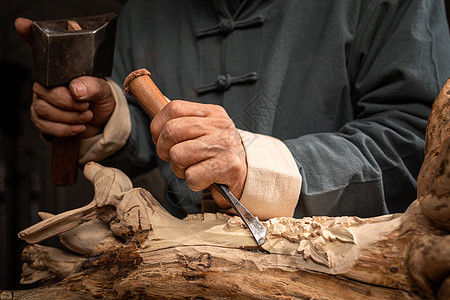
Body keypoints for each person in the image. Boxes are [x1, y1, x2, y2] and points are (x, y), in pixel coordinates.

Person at [15, 0, 450, 220]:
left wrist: (259, 169)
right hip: (184, 272)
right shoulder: (145, 11)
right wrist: (105, 117)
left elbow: (418, 143)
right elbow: (150, 143)